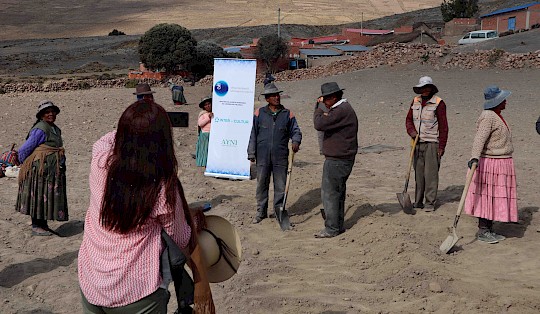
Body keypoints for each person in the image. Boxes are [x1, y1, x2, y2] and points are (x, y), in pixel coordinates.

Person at [78, 100, 214, 313]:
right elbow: (180, 238)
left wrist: (132, 127)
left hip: (92, 281)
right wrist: (193, 220)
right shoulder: (161, 187)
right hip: (136, 290)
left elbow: (106, 139)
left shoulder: (100, 161)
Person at [465, 85, 518, 244]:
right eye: (503, 99)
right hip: (491, 163)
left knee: (494, 197)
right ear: (497, 101)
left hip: (500, 162)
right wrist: (474, 157)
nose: (506, 102)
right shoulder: (488, 117)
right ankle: (484, 230)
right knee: (487, 196)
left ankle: (489, 228)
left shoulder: (497, 115)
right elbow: (479, 139)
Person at [248, 83, 302, 224]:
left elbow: (296, 131)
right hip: (263, 155)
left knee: (280, 185)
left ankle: (279, 210)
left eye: (277, 95)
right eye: (273, 95)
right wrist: (251, 152)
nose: (276, 97)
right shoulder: (259, 113)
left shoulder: (287, 114)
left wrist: (296, 141)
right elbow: (253, 133)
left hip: (281, 156)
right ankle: (261, 211)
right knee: (262, 184)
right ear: (267, 99)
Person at [16, 100, 67, 236]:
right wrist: (24, 164)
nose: (51, 114)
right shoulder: (40, 129)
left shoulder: (54, 128)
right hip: (39, 170)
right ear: (41, 115)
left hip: (50, 170)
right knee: (38, 195)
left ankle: (43, 225)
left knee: (46, 196)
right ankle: (36, 225)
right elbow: (25, 149)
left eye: (52, 111)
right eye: (47, 112)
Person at [313, 82, 358, 238]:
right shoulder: (343, 109)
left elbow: (319, 124)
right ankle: (337, 225)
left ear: (333, 97)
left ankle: (332, 228)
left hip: (338, 159)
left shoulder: (341, 111)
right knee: (337, 193)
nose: (324, 102)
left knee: (330, 194)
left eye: (326, 99)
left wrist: (318, 108)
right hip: (342, 157)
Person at [405, 76, 448, 212]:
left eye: (427, 87)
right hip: (417, 143)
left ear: (431, 88)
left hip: (432, 143)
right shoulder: (415, 101)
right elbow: (408, 120)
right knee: (419, 174)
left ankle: (429, 203)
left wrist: (441, 146)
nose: (424, 90)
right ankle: (418, 202)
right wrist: (412, 132)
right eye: (422, 88)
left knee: (431, 175)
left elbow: (444, 127)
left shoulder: (439, 103)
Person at [196, 95, 213, 167]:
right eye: (206, 105)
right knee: (205, 149)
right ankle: (205, 164)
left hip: (213, 134)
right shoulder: (203, 114)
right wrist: (208, 118)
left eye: (209, 104)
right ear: (204, 107)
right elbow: (200, 124)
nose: (208, 106)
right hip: (205, 134)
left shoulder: (214, 113)